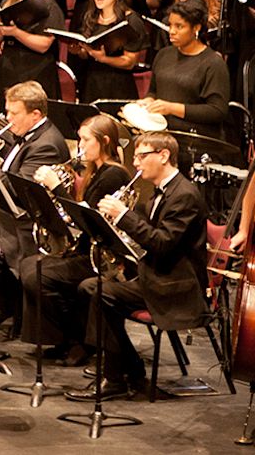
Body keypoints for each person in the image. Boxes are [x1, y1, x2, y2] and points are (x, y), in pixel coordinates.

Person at [68, 131, 209, 402]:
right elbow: (144, 240)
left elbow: (162, 243)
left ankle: (117, 376)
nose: (136, 163)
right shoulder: (157, 192)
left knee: (99, 291)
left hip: (177, 287)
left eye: (142, 156)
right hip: (154, 276)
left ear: (164, 155)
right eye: (135, 157)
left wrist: (123, 215)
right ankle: (125, 370)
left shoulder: (185, 195)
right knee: (93, 287)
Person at [22, 114, 130, 363]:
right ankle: (64, 338)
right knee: (30, 265)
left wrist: (58, 187)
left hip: (102, 259)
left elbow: (88, 220)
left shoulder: (114, 176)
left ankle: (77, 339)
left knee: (38, 274)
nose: (80, 146)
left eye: (85, 140)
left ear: (104, 141)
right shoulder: (96, 172)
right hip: (86, 250)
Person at [138, 0, 230, 138]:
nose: (172, 31)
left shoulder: (213, 63)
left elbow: (217, 111)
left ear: (196, 28)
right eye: (170, 25)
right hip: (160, 134)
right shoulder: (164, 54)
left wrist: (171, 108)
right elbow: (153, 91)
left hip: (194, 138)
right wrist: (148, 101)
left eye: (179, 26)